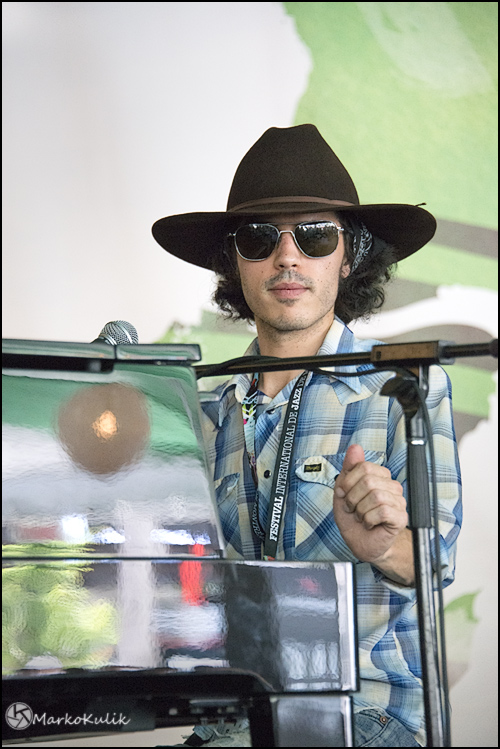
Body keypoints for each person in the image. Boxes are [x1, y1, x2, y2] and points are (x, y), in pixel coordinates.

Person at [152, 125, 462, 747]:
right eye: (259, 239)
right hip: (232, 717)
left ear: (349, 257)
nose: (287, 257)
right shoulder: (201, 407)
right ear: (233, 262)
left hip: (368, 714)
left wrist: (381, 544)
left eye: (315, 236)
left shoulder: (404, 387)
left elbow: (436, 563)